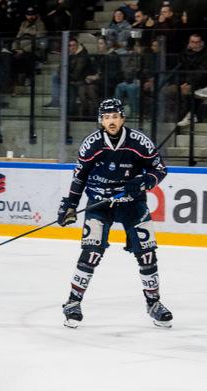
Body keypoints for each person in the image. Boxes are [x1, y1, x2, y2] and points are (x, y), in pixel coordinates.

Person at [57, 98, 171, 328]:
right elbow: (79, 177)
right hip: (99, 203)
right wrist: (70, 204)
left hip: (133, 204)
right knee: (91, 252)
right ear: (101, 121)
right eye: (107, 117)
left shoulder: (139, 141)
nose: (111, 121)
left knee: (147, 253)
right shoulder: (91, 144)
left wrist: (144, 182)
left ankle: (154, 304)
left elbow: (160, 169)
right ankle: (73, 302)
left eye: (115, 116)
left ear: (122, 119)